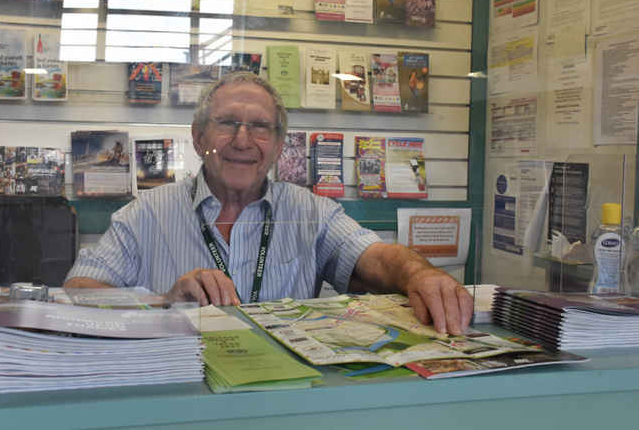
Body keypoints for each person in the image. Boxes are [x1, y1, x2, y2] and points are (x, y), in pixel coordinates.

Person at [65, 71, 472, 335]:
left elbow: (376, 257)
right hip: (180, 390)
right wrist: (163, 302)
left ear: (278, 145)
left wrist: (420, 274)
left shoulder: (312, 212)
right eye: (227, 123)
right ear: (199, 137)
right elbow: (78, 290)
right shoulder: (144, 214)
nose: (243, 140)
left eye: (260, 127)